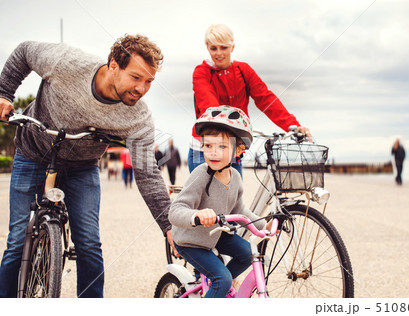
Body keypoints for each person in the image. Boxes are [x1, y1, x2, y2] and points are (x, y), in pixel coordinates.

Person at [0, 34, 175, 298]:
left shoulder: (138, 117)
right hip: (33, 153)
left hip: (82, 167)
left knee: (89, 244)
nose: (141, 88)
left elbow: (147, 172)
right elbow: (24, 51)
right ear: (114, 65)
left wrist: (169, 225)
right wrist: (4, 93)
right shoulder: (67, 63)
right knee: (15, 242)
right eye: (136, 77)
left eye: (149, 81)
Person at [169, 106, 269, 298]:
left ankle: (219, 289)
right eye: (208, 146)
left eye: (221, 146)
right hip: (190, 240)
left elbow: (240, 210)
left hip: (215, 233)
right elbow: (176, 210)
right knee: (221, 279)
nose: (213, 152)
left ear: (239, 150)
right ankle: (220, 284)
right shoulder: (200, 175)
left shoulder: (235, 178)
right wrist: (196, 215)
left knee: (250, 254)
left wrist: (264, 224)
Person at [189, 23, 313, 174]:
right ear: (207, 47)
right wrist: (231, 129)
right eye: (213, 48)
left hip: (234, 148)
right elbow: (209, 105)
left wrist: (292, 125)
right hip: (204, 150)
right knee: (206, 196)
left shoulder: (243, 70)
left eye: (224, 47)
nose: (219, 53)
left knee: (235, 196)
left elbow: (266, 99)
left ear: (232, 47)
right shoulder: (201, 72)